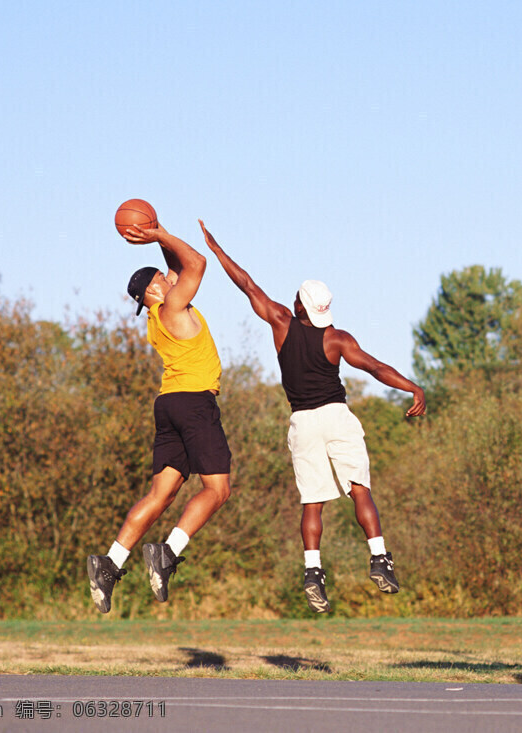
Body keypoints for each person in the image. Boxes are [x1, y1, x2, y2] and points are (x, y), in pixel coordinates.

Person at [198, 220, 425, 613]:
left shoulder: (282, 323)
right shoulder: (337, 338)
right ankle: (379, 559)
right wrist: (412, 387)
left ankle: (313, 572)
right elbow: (374, 367)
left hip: (302, 422)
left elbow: (248, 285)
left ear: (299, 304)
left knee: (313, 504)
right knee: (359, 489)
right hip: (337, 416)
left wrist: (217, 251)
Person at [87, 220, 233, 614]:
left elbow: (176, 267)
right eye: (164, 279)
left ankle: (110, 562)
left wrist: (157, 237)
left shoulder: (155, 315)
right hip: (194, 404)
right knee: (217, 490)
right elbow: (197, 263)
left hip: (168, 404)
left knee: (161, 493)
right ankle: (168, 552)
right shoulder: (172, 305)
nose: (173, 279)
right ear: (155, 290)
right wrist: (161, 233)